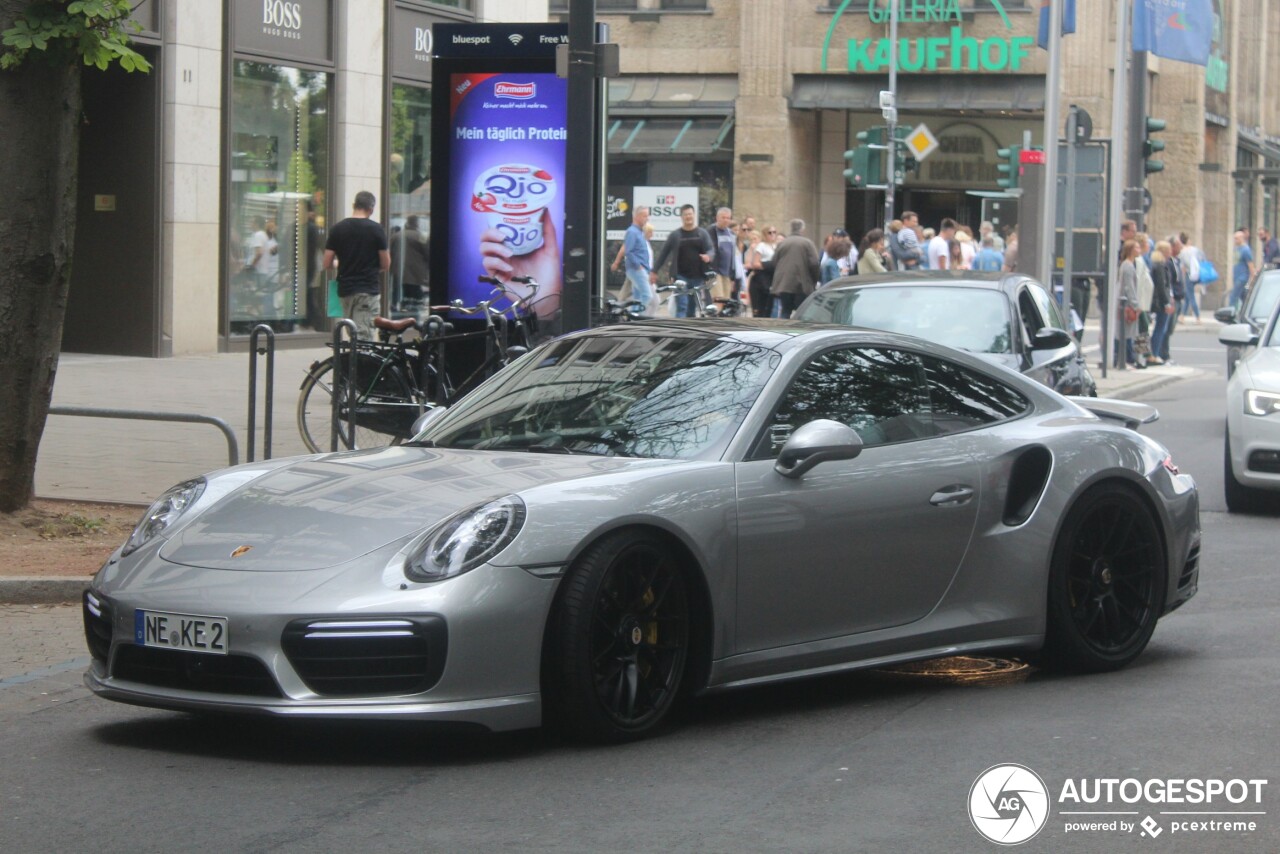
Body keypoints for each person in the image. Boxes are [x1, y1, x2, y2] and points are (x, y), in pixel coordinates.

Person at [324, 190, 390, 340]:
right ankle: (361, 363)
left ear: (354, 205)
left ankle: (354, 362)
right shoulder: (376, 230)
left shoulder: (337, 229)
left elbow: (327, 263)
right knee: (364, 337)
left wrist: (342, 263)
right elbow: (386, 264)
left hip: (345, 291)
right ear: (371, 209)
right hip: (367, 290)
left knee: (352, 333)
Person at [652, 204, 713, 317]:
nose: (688, 216)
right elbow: (663, 254)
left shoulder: (702, 233)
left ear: (694, 215)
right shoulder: (675, 235)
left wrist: (708, 256)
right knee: (682, 305)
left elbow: (711, 249)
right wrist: (654, 271)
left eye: (690, 214)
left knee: (692, 307)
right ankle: (680, 330)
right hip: (680, 277)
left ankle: (690, 331)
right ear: (681, 217)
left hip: (697, 277)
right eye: (685, 214)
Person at [769, 218, 820, 319]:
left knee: (785, 310)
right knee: (802, 312)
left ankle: (783, 332)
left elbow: (774, 262)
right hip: (802, 284)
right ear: (802, 229)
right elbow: (814, 263)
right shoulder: (807, 243)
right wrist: (814, 280)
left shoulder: (782, 243)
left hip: (784, 284)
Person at [616, 206, 654, 314]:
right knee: (647, 296)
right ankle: (637, 318)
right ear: (637, 217)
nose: (647, 218)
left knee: (637, 298)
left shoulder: (638, 232)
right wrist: (639, 266)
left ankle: (632, 319)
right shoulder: (632, 232)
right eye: (645, 216)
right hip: (636, 269)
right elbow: (629, 251)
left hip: (639, 269)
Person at [390, 214, 430, 314]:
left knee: (399, 296)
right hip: (416, 275)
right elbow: (428, 254)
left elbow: (389, 253)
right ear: (417, 224)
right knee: (415, 303)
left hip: (398, 273)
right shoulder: (421, 236)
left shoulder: (396, 236)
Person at [1146, 240, 1176, 365]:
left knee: (1160, 328)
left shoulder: (1161, 264)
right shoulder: (1159, 266)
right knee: (1160, 328)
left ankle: (1153, 353)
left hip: (1159, 300)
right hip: (1160, 302)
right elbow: (1161, 286)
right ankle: (1154, 353)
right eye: (1168, 250)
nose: (1171, 252)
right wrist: (1166, 303)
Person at [1117, 239, 1142, 369]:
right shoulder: (1128, 266)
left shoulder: (1130, 265)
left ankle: (1137, 358)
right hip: (1128, 304)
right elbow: (1129, 287)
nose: (1139, 250)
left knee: (1134, 332)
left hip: (1129, 303)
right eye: (1137, 248)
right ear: (1131, 250)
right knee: (1128, 333)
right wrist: (1135, 304)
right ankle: (1130, 359)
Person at [747, 225, 778, 317]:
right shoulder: (761, 246)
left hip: (772, 276)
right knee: (760, 307)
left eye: (774, 232)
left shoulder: (776, 246)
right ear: (765, 234)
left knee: (770, 307)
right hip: (762, 276)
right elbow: (755, 263)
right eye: (770, 232)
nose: (772, 234)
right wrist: (769, 264)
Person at [709, 206, 737, 304]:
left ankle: (722, 318)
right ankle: (714, 319)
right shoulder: (711, 231)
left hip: (727, 272)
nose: (726, 220)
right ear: (717, 218)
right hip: (715, 272)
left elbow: (733, 256)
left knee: (726, 301)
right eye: (723, 217)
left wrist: (733, 276)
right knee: (718, 299)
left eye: (728, 218)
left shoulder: (731, 234)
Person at [1178, 231, 1202, 322]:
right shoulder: (1195, 250)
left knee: (1191, 295)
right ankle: (1182, 316)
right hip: (1197, 274)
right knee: (1188, 296)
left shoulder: (1183, 252)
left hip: (1189, 274)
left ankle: (1198, 316)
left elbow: (1182, 266)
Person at [1233, 229, 1256, 308]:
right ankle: (1246, 310)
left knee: (1233, 297)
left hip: (1242, 277)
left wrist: (1252, 278)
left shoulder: (1246, 250)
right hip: (1236, 276)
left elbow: (1251, 265)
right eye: (1234, 238)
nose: (1235, 240)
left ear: (1242, 238)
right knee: (1243, 297)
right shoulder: (1236, 249)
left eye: (1237, 238)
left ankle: (1230, 313)